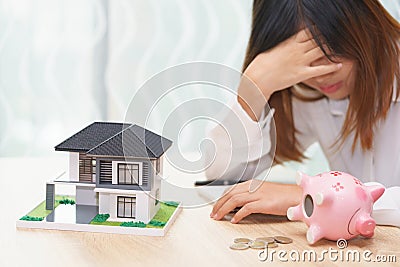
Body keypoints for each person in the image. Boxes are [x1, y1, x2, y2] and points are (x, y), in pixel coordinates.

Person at [206, 0, 400, 224]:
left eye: (331, 54)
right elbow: (220, 176)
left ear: (363, 28)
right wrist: (254, 88)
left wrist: (312, 197)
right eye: (304, 62)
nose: (320, 75)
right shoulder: (313, 96)